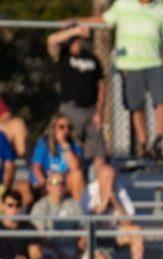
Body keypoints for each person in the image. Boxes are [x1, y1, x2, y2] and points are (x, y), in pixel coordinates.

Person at [73, 0, 163, 160]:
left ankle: (158, 140)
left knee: (162, 101)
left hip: (155, 63)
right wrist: (77, 21)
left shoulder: (161, 9)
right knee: (136, 106)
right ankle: (143, 144)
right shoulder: (123, 4)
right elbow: (103, 20)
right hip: (130, 65)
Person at [47, 24, 107, 164]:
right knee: (73, 147)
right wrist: (74, 30)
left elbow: (102, 86)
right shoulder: (63, 56)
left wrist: (99, 111)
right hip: (71, 109)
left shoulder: (92, 58)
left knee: (99, 151)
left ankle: (99, 182)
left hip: (91, 110)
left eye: (79, 39)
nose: (77, 43)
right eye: (74, 40)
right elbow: (51, 40)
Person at [82, 163, 145, 259]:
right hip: (95, 233)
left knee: (136, 230)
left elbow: (128, 222)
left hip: (114, 232)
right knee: (85, 231)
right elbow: (89, 220)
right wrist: (104, 203)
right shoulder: (90, 191)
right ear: (99, 179)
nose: (111, 182)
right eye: (107, 178)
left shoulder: (120, 190)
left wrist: (115, 201)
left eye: (113, 178)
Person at [31, 114, 85, 200]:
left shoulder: (74, 145)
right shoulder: (44, 142)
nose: (66, 130)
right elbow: (36, 167)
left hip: (63, 182)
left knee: (77, 175)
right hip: (48, 181)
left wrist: (64, 144)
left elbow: (75, 167)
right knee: (52, 182)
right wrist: (46, 184)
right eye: (62, 127)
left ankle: (76, 210)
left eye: (69, 127)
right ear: (54, 128)